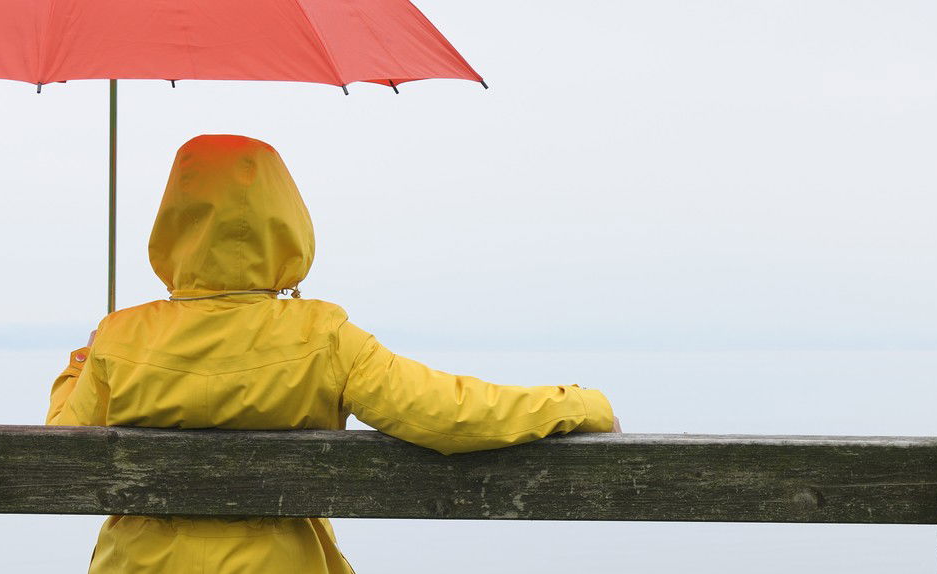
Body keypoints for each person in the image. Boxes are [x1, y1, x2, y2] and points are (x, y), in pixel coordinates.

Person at [48, 134, 618, 574]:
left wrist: (84, 358)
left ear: (173, 222)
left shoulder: (122, 336)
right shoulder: (322, 333)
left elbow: (60, 454)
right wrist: (578, 404)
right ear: (288, 221)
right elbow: (449, 414)